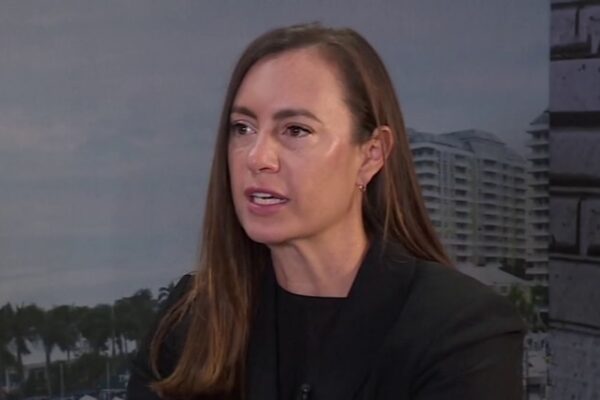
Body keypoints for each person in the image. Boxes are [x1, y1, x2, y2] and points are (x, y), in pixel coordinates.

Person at [127, 22, 526, 400]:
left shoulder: (460, 329)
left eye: (296, 130)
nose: (257, 157)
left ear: (371, 155)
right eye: (243, 128)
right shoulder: (191, 316)